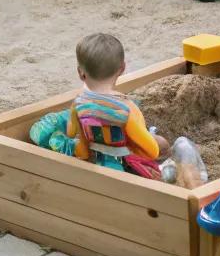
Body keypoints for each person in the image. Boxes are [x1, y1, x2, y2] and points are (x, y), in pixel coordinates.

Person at [67, 32, 169, 170]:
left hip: (94, 156)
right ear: (121, 69)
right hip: (125, 162)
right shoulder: (126, 108)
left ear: (80, 72)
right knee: (162, 143)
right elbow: (151, 151)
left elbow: (71, 133)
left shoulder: (77, 105)